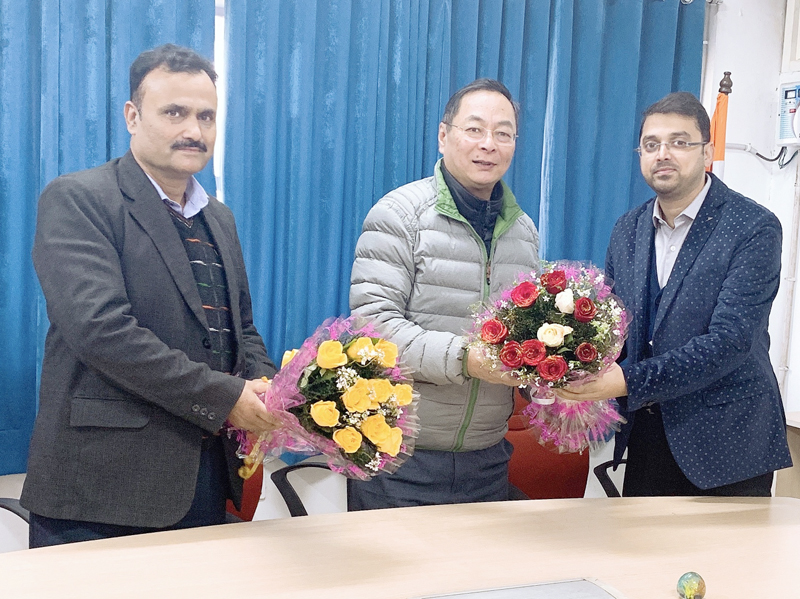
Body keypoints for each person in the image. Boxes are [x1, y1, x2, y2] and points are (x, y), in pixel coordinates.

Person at [21, 44, 278, 546]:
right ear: (133, 117)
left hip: (206, 478)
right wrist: (226, 399)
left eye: (206, 116)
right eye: (174, 112)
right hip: (101, 491)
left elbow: (240, 329)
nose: (194, 130)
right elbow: (101, 331)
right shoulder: (79, 198)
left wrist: (269, 392)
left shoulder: (218, 217)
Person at [558, 92, 792, 496]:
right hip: (647, 434)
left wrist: (625, 381)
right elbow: (613, 328)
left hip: (727, 442)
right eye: (651, 144)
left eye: (679, 142)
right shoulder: (628, 228)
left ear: (707, 152)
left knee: (724, 543)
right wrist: (561, 366)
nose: (663, 153)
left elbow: (731, 341)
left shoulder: (752, 226)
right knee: (643, 539)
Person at [348, 79, 540, 509]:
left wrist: (552, 376)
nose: (488, 144)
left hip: (487, 459)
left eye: (503, 133)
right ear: (443, 135)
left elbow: (524, 336)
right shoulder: (399, 215)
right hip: (399, 456)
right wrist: (466, 358)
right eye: (474, 129)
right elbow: (373, 330)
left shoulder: (524, 232)